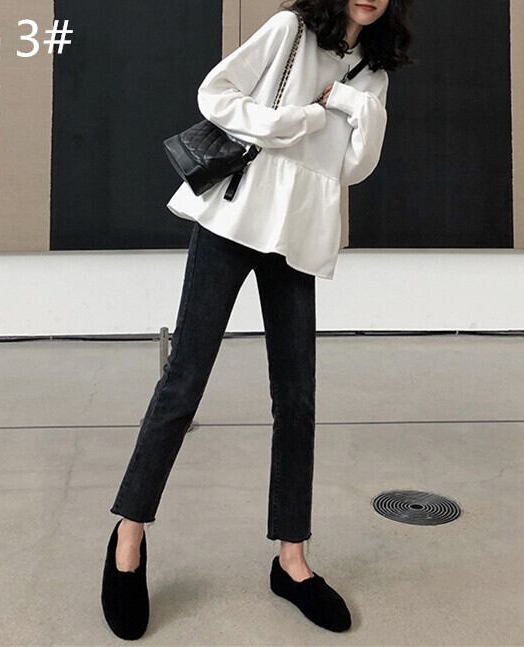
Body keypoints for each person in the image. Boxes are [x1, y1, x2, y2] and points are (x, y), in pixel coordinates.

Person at [101, 0, 413, 639]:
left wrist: (352, 104)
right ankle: (128, 535)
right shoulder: (289, 29)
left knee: (297, 398)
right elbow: (214, 93)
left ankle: (291, 560)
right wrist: (291, 121)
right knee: (184, 380)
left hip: (298, 232)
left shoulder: (373, 71)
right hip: (236, 216)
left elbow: (355, 167)